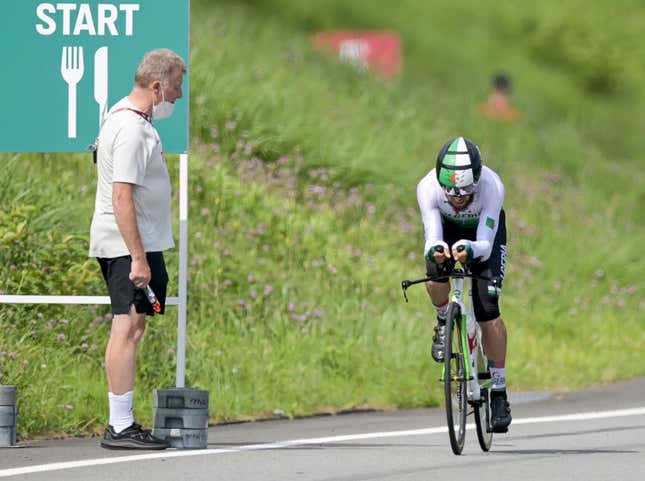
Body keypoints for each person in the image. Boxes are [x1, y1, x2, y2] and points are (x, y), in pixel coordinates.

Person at [89, 48, 186, 450]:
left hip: (141, 242)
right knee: (125, 325)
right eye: (178, 87)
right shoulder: (129, 128)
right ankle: (120, 426)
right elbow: (121, 196)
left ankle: (123, 421)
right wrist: (139, 258)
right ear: (158, 85)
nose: (179, 97)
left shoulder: (130, 119)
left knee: (138, 323)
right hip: (128, 244)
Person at [416, 136, 512, 433]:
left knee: (488, 310)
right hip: (447, 231)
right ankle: (444, 318)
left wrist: (471, 249)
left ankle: (498, 391)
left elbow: (485, 241)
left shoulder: (492, 187)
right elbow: (432, 236)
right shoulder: (427, 187)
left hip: (483, 237)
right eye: (451, 192)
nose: (458, 198)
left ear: (478, 181)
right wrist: (435, 250)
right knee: (434, 270)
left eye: (466, 192)